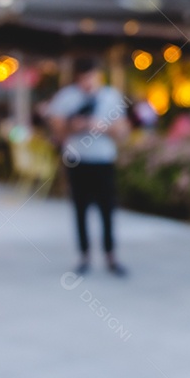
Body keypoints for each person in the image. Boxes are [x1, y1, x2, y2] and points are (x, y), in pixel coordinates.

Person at [47, 58, 130, 277]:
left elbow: (123, 131)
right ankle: (84, 255)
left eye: (91, 76)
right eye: (84, 77)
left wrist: (100, 127)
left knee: (107, 209)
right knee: (80, 208)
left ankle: (110, 255)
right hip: (77, 159)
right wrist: (71, 126)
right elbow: (56, 131)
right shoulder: (67, 97)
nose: (88, 81)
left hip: (103, 160)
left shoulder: (110, 97)